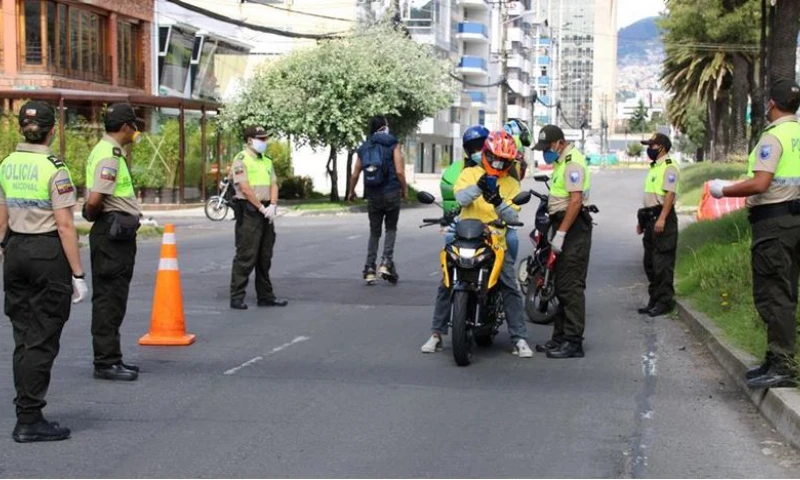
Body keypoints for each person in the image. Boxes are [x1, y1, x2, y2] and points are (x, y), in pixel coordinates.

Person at [0, 101, 88, 442]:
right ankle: (29, 418)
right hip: (46, 253)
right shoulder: (56, 169)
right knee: (42, 338)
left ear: (22, 128)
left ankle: (27, 409)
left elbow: (2, 216)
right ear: (53, 130)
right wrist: (78, 275)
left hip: (16, 250)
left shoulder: (7, 164)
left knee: (23, 337)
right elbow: (66, 226)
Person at [709, 78, 800, 389]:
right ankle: (776, 360)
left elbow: (760, 183)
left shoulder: (772, 138)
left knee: (774, 295)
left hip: (774, 223)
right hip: (795, 222)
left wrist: (724, 189)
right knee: (786, 292)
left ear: (771, 104)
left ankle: (783, 364)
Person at [421, 130, 533, 358]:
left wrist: (498, 201)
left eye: (503, 161)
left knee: (509, 286)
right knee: (446, 282)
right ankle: (436, 334)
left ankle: (519, 338)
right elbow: (461, 199)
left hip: (494, 239)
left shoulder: (511, 183)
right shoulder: (469, 173)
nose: (498, 164)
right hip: (465, 234)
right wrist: (480, 187)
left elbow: (512, 218)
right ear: (485, 154)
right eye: (494, 158)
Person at [83, 103, 143, 381]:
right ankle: (106, 362)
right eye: (134, 125)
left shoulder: (106, 150)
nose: (136, 130)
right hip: (112, 232)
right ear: (125, 127)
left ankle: (112, 358)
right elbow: (96, 199)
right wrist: (91, 214)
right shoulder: (110, 155)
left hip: (114, 231)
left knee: (113, 297)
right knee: (110, 298)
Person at [532, 124, 592, 359]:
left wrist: (563, 233)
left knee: (570, 286)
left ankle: (573, 342)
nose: (546, 151)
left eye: (548, 147)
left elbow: (575, 202)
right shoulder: (561, 162)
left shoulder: (572, 163)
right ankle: (559, 338)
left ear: (560, 142)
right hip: (562, 223)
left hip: (573, 228)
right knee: (559, 285)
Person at [228, 126, 287, 310]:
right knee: (246, 254)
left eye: (265, 138)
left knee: (265, 255)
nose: (264, 142)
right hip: (249, 211)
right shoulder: (241, 160)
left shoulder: (267, 161)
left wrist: (273, 205)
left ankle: (265, 296)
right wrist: (261, 208)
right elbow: (244, 188)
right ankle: (237, 296)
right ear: (249, 140)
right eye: (260, 139)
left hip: (266, 210)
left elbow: (274, 184)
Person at [348, 116, 408, 285]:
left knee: (374, 232)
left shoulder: (365, 147)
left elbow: (355, 173)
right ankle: (386, 262)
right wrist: (404, 190)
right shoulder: (393, 144)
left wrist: (351, 192)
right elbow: (399, 171)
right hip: (391, 193)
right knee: (390, 229)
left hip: (373, 195)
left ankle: (369, 268)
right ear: (385, 127)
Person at [636, 133, 679, 317]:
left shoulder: (669, 167)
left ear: (661, 147)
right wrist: (642, 222)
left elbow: (669, 194)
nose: (649, 149)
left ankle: (664, 301)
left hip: (663, 219)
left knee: (662, 264)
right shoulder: (655, 167)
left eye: (652, 146)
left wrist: (662, 218)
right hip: (650, 218)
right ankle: (654, 298)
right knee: (650, 263)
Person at [440, 125, 489, 216]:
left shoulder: (502, 170)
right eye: (474, 149)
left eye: (481, 148)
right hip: (468, 223)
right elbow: (455, 199)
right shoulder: (462, 170)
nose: (479, 152)